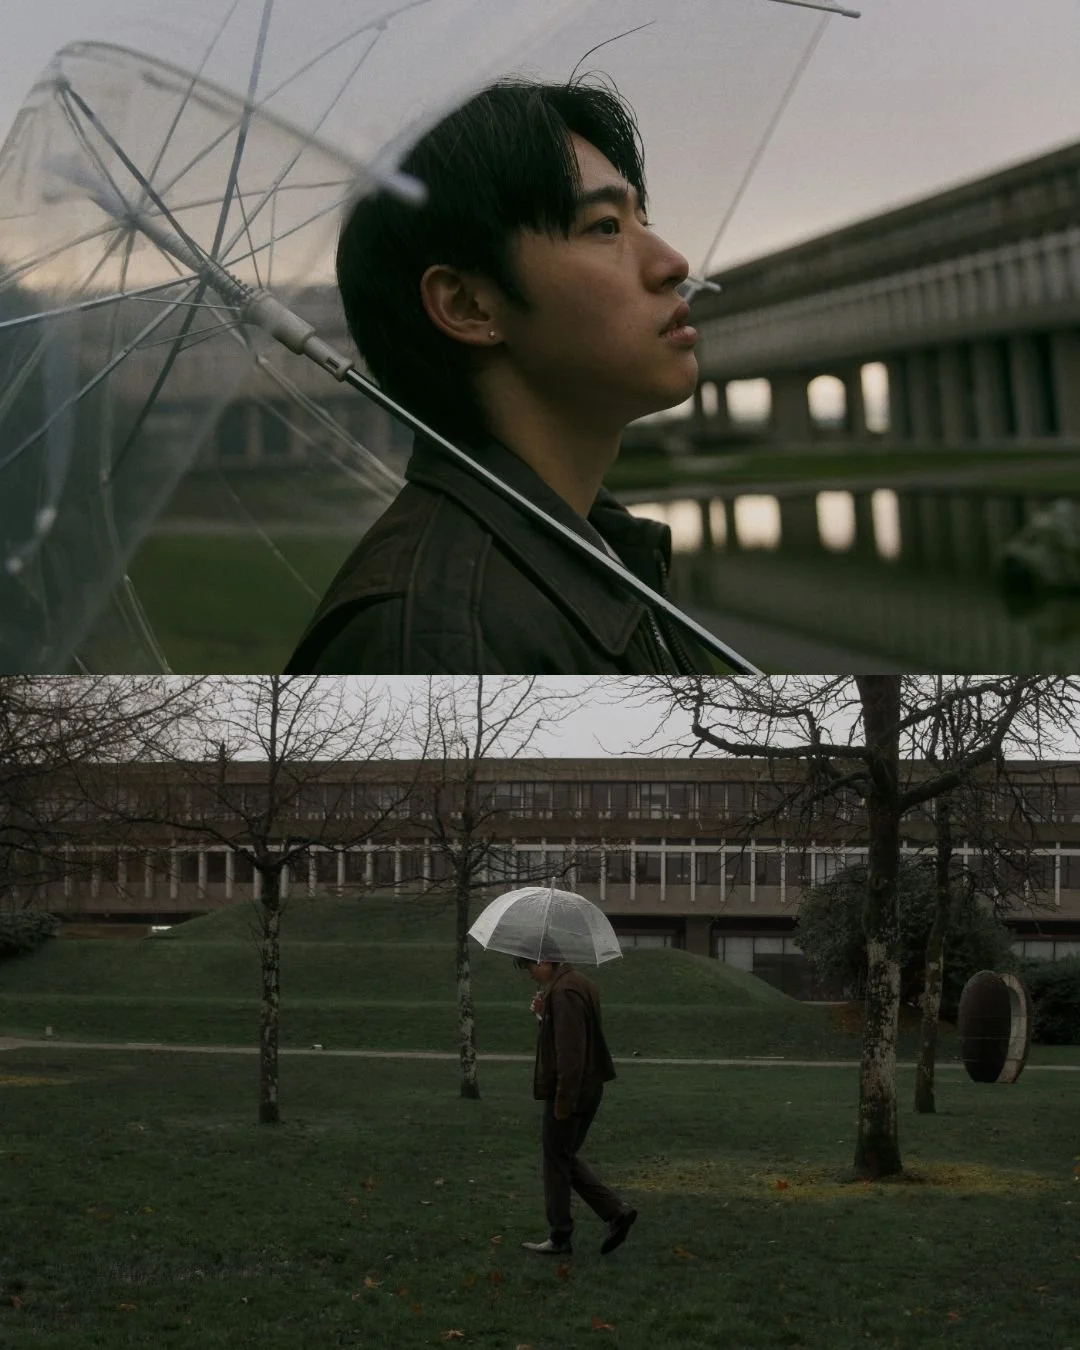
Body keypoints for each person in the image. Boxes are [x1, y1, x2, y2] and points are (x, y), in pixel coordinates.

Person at [283, 76, 719, 676]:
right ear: (468, 307)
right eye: (605, 228)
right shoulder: (431, 635)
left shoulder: (596, 546)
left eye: (642, 217)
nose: (673, 263)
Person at [513, 952, 637, 1257]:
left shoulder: (565, 992)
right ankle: (615, 1213)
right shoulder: (577, 984)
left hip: (572, 1089)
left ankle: (561, 1235)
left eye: (528, 966)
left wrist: (563, 1102)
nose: (530, 975)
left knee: (556, 1160)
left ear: (543, 960)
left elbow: (570, 1053)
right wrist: (545, 1016)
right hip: (588, 1086)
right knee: (562, 1157)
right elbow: (571, 1036)